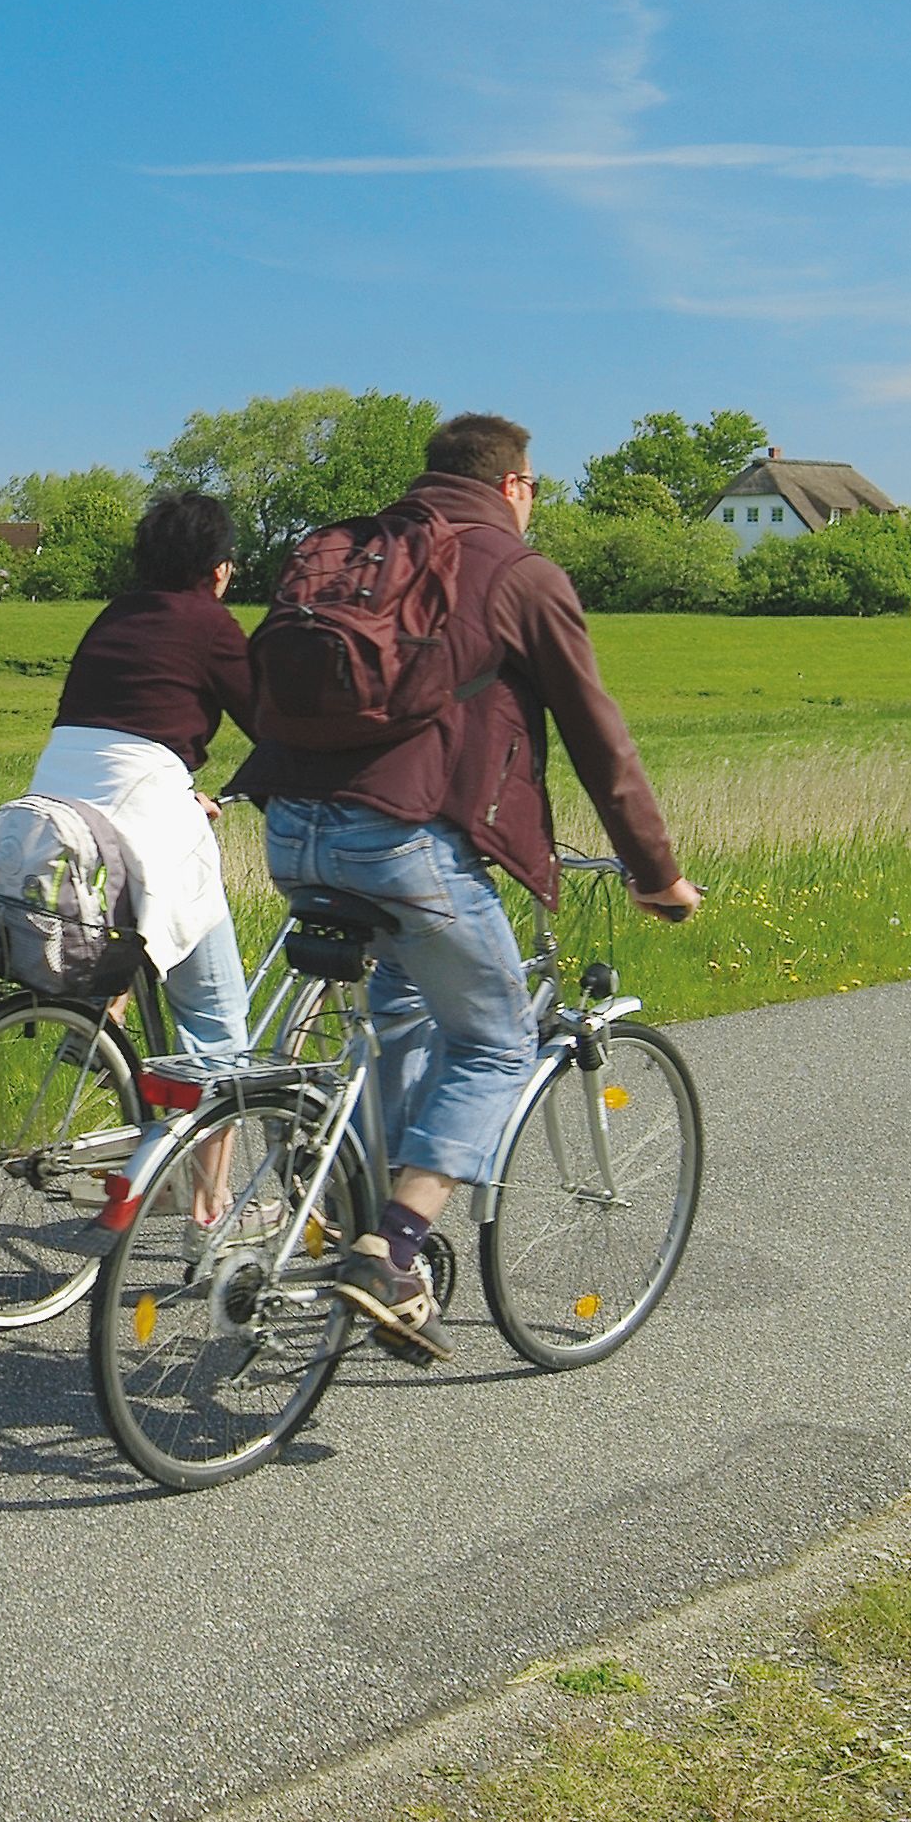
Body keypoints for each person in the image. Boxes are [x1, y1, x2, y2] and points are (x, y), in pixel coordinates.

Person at [228, 413, 702, 1362]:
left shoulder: (357, 551)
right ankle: (389, 1247)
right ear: (516, 485)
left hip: (288, 828)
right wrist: (656, 875)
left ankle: (363, 1207)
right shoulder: (519, 574)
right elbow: (598, 739)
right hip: (402, 846)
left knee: (404, 1008)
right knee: (494, 1042)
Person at [28, 490, 265, 1069]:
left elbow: (119, 731)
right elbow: (269, 720)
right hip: (142, 816)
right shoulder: (210, 622)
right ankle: (187, 1127)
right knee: (217, 1030)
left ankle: (102, 1015)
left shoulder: (115, 615)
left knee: (128, 931)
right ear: (219, 569)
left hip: (61, 808)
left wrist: (179, 797)